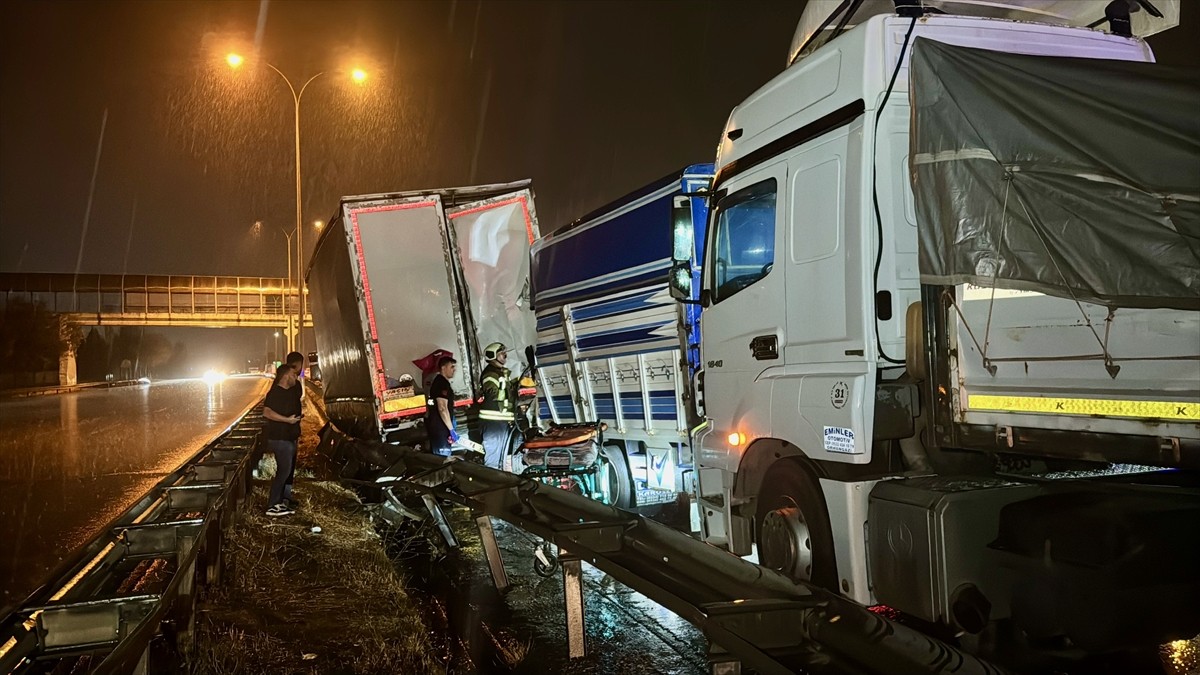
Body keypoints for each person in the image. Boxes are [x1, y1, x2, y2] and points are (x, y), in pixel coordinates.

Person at [263, 363, 302, 517]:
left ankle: (279, 503)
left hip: (290, 437)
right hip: (280, 438)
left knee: (286, 472)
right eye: (293, 374)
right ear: (286, 376)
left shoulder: (291, 392)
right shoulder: (275, 393)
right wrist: (287, 420)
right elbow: (267, 412)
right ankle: (272, 504)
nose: (296, 377)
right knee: (283, 471)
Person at [478, 342, 514, 469]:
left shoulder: (500, 373)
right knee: (493, 459)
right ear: (493, 356)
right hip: (493, 421)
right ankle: (491, 483)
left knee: (501, 457)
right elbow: (494, 393)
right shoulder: (490, 374)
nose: (505, 355)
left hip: (500, 420)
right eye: (502, 353)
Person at [425, 356, 459, 457]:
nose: (454, 369)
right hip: (440, 429)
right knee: (443, 459)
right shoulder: (441, 384)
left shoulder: (441, 382)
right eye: (451, 367)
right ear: (443, 368)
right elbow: (442, 408)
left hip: (440, 428)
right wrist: (451, 429)